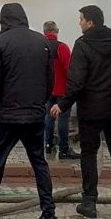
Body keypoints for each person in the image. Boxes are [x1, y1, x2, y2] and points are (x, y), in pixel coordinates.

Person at [0, 2, 60, 219]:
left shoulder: (0, 42)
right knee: (40, 163)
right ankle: (49, 216)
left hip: (7, 116)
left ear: (4, 20)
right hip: (34, 115)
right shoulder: (43, 42)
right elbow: (49, 80)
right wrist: (39, 104)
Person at [51, 5, 111, 219]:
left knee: (89, 153)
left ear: (90, 22)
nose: (79, 23)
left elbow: (76, 81)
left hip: (91, 109)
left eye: (81, 19)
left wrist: (63, 104)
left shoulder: (83, 44)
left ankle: (89, 201)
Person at [42, 21, 78, 160]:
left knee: (48, 117)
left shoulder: (41, 47)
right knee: (63, 118)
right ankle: (64, 149)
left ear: (45, 32)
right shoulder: (62, 47)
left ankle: (48, 145)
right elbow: (69, 68)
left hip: (48, 90)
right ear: (57, 31)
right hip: (62, 90)